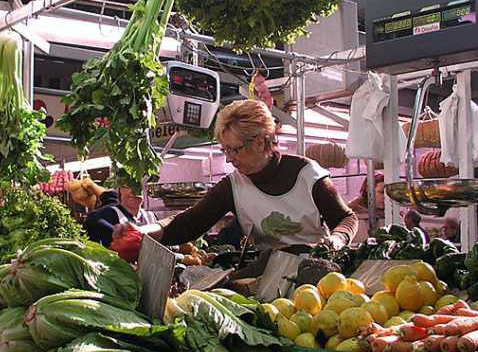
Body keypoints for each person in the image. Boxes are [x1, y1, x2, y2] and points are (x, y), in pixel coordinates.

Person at [114, 99, 358, 265]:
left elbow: (347, 218)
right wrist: (140, 232)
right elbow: (187, 223)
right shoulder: (233, 185)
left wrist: (336, 240)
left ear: (261, 143)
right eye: (225, 151)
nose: (229, 159)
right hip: (269, 273)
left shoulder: (308, 175)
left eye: (235, 150)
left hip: (319, 271)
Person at [85, 188, 155, 248]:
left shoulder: (150, 216)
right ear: (119, 190)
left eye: (139, 185)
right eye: (127, 186)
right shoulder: (107, 215)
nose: (133, 191)